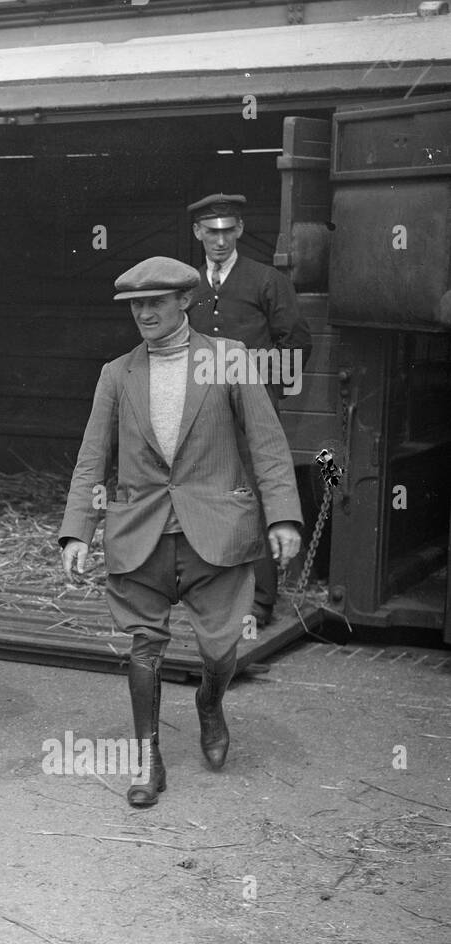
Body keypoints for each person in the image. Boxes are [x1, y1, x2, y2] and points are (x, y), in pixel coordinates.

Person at [59, 257, 302, 807]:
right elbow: (91, 459)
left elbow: (266, 443)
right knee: (144, 647)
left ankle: (210, 704)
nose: (144, 313)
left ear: (184, 302)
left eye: (155, 303)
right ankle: (149, 759)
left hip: (216, 532)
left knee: (221, 650)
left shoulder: (228, 359)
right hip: (138, 531)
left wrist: (283, 516)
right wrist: (78, 531)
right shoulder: (116, 373)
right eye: (135, 306)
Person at [185, 193, 313, 626]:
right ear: (198, 233)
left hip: (250, 411)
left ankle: (259, 601)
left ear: (239, 230)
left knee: (253, 498)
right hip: (198, 410)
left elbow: (295, 342)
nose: (219, 241)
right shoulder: (186, 285)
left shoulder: (266, 280)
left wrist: (257, 386)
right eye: (211, 231)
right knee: (201, 493)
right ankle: (206, 591)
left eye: (228, 230)